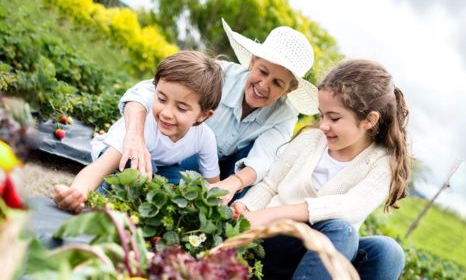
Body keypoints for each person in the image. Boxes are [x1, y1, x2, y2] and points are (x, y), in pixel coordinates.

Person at [232, 59, 411, 279]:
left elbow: (350, 207)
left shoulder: (381, 163)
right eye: (321, 114)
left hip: (318, 259)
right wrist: (245, 207)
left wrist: (274, 213)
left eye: (334, 118)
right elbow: (270, 186)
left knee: (387, 251)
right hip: (273, 241)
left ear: (369, 120)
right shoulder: (310, 141)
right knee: (342, 233)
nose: (324, 125)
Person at [118, 18, 319, 203]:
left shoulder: (284, 114)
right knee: (154, 174)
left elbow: (263, 158)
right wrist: (134, 137)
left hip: (222, 172)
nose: (264, 86)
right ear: (252, 61)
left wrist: (231, 184)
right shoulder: (219, 75)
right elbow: (145, 92)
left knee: (263, 163)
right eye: (262, 71)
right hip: (179, 153)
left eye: (277, 83)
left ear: (289, 89)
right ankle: (166, 181)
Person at [53, 50, 224, 213]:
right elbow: (99, 168)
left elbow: (213, 185)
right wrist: (76, 193)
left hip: (159, 168)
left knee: (187, 184)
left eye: (181, 108)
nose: (166, 113)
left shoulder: (204, 137)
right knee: (130, 174)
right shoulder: (143, 124)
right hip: (121, 157)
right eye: (161, 99)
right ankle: (107, 203)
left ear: (203, 115)